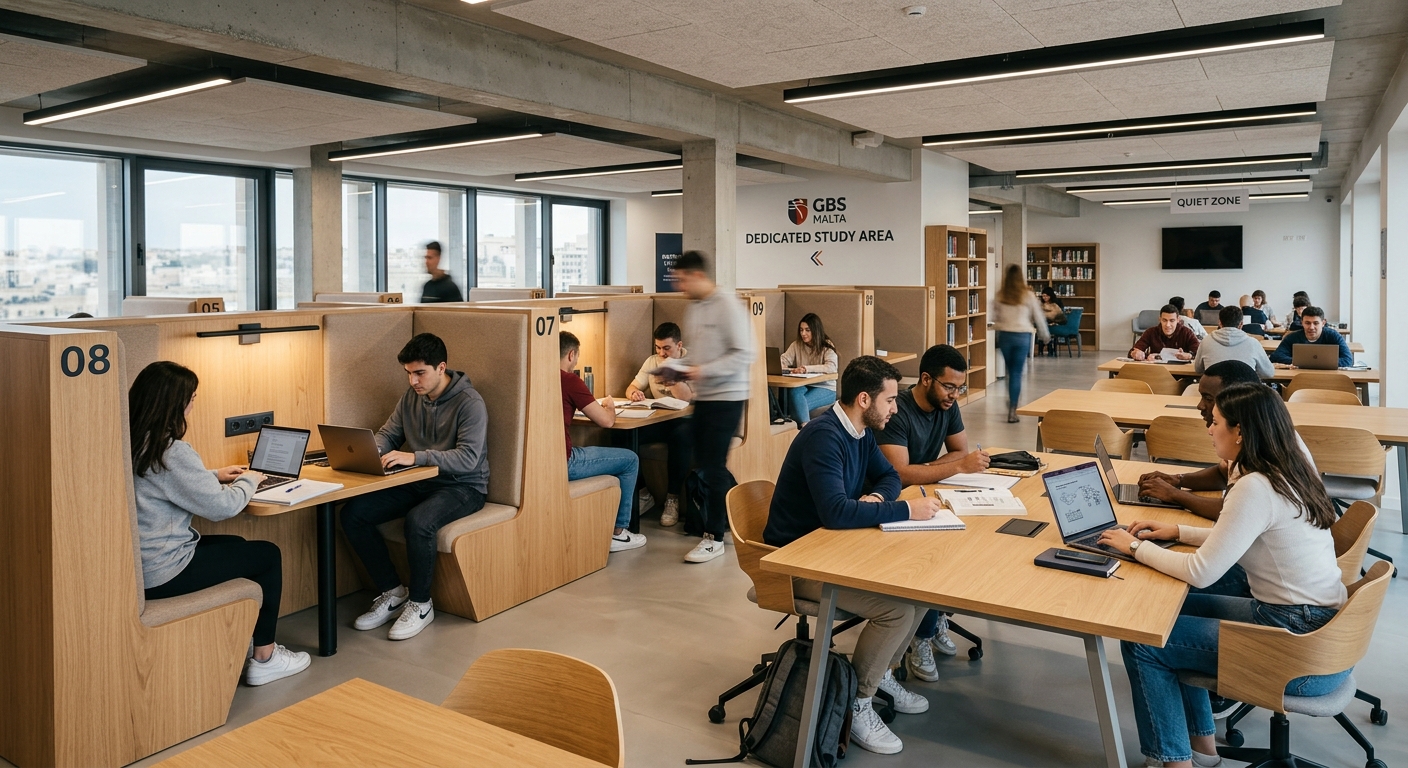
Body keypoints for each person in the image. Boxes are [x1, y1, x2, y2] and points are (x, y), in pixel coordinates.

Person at [1099, 383, 1348, 768]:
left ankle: (1175, 763)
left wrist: (1133, 547)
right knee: (1168, 614)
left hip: (1299, 650)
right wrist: (1177, 532)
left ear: (1240, 432)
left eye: (1215, 422)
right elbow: (1247, 533)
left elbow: (1200, 572)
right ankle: (1202, 751)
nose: (1209, 429)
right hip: (1318, 628)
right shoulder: (1285, 468)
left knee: (1145, 641)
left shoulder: (1255, 486)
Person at [763, 356, 942, 755]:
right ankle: (857, 703)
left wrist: (878, 497)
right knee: (895, 609)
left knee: (917, 592)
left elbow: (890, 475)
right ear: (865, 399)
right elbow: (837, 511)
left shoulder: (860, 432)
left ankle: (881, 675)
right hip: (796, 562)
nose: (895, 409)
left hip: (831, 550)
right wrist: (904, 509)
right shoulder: (824, 436)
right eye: (891, 400)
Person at [130, 361, 309, 686]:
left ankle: (247, 639)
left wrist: (214, 475)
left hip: (142, 565)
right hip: (164, 571)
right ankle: (266, 658)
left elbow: (164, 483)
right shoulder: (172, 451)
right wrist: (251, 480)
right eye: (192, 398)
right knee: (267, 555)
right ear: (175, 404)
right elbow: (222, 507)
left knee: (237, 547)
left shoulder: (136, 442)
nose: (193, 405)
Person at [342, 333, 489, 641]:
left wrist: (414, 456)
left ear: (441, 368)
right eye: (408, 373)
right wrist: (372, 451)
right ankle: (393, 592)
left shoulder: (470, 402)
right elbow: (389, 433)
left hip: (463, 487)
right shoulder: (412, 397)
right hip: (419, 480)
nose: (413, 381)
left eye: (419, 372)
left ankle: (421, 604)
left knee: (419, 522)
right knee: (353, 513)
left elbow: (469, 459)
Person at [875, 344, 989, 679]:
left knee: (958, 544)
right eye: (949, 386)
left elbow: (960, 451)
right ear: (926, 379)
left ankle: (935, 617)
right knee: (926, 559)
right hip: (893, 501)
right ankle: (919, 637)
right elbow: (899, 473)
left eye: (959, 387)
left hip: (928, 493)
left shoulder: (947, 405)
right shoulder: (899, 412)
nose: (955, 395)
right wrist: (951, 467)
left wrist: (925, 467)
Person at [1138, 360, 1315, 522]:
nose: (1200, 406)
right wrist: (1178, 480)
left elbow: (1232, 511)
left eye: (1208, 398)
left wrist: (1175, 495)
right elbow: (1223, 473)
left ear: (1237, 398)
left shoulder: (1267, 446)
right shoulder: (1251, 429)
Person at [672, 250, 754, 564]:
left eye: (681, 280)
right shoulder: (693, 309)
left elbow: (745, 354)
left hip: (728, 398)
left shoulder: (728, 305)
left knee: (713, 465)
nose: (680, 287)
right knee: (695, 453)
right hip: (704, 397)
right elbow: (697, 356)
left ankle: (714, 537)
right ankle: (737, 511)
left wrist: (702, 371)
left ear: (697, 276)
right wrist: (675, 367)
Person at [559, 331, 647, 552]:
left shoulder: (536, 375)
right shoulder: (570, 380)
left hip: (540, 460)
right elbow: (607, 422)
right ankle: (618, 532)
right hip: (564, 462)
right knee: (630, 460)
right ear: (571, 354)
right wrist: (609, 405)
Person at [624, 322, 694, 527]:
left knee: (680, 437)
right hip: (660, 418)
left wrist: (671, 374)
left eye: (666, 348)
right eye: (658, 348)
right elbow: (632, 386)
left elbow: (687, 398)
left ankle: (672, 498)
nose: (661, 353)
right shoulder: (652, 361)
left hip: (686, 420)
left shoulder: (691, 363)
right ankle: (643, 493)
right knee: (624, 435)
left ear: (679, 345)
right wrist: (634, 393)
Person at [992, 264, 1049, 423]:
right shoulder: (1028, 295)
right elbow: (1038, 316)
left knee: (1010, 373)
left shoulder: (1000, 295)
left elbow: (995, 317)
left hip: (1006, 336)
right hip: (1022, 336)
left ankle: (1011, 402)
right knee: (1017, 373)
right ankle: (1013, 409)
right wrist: (1045, 334)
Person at [778, 312, 838, 425]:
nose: (803, 333)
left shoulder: (826, 345)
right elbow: (782, 361)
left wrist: (806, 369)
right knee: (794, 391)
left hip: (826, 387)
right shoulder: (797, 345)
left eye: (807, 330)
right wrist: (788, 369)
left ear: (815, 330)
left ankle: (804, 428)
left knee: (796, 407)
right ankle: (804, 428)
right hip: (804, 385)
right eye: (801, 330)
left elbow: (831, 367)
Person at [1190, 305, 1272, 379]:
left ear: (1220, 323)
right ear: (1241, 324)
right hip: (1245, 392)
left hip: (1215, 393)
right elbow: (1268, 373)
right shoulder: (1253, 343)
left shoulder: (1206, 342)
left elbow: (1198, 369)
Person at [1269, 306, 1353, 368]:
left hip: (1328, 378)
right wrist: (1305, 362)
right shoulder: (1292, 337)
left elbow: (1348, 359)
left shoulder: (1334, 336)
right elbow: (1276, 356)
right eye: (1307, 323)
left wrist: (1309, 363)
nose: (1311, 327)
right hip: (1299, 378)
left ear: (1323, 323)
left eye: (1316, 323)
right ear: (1302, 322)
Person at [1130, 304, 1199, 361]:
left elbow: (1199, 352)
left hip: (1180, 373)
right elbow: (1133, 351)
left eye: (1172, 321)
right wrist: (1137, 354)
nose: (1168, 325)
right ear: (1159, 319)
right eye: (1164, 320)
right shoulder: (1151, 332)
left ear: (1178, 320)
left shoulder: (1186, 332)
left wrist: (1189, 355)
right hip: (1157, 370)